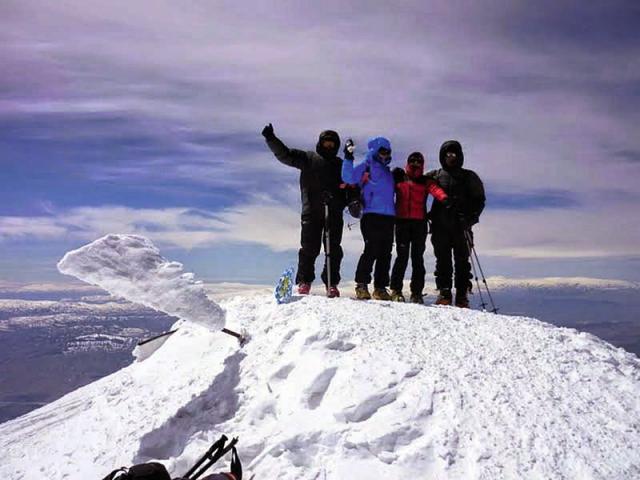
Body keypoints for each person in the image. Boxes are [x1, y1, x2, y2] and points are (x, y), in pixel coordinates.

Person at [262, 123, 346, 297]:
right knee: (309, 248)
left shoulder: (341, 164)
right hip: (311, 211)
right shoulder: (308, 158)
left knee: (334, 249)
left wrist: (349, 200)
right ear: (320, 143)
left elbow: (350, 186)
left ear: (336, 146)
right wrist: (271, 139)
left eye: (332, 144)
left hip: (334, 212)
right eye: (326, 143)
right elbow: (286, 155)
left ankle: (331, 284)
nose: (329, 146)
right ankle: (304, 281)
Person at [427, 140, 485, 308]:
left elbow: (480, 200)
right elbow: (417, 182)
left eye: (453, 154)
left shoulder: (469, 176)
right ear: (442, 156)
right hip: (440, 227)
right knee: (442, 261)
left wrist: (471, 218)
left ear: (459, 156)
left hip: (462, 226)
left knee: (462, 262)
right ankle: (445, 292)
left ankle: (461, 295)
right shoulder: (435, 175)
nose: (450, 157)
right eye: (447, 154)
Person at [389, 152, 448, 304]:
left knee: (417, 259)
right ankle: (396, 290)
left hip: (419, 224)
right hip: (402, 222)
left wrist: (444, 198)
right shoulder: (399, 177)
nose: (415, 163)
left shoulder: (425, 181)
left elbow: (435, 189)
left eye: (418, 161)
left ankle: (416, 293)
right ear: (408, 162)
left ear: (422, 164)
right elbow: (384, 185)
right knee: (401, 257)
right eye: (412, 161)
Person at [342, 137, 396, 300]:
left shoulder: (388, 172)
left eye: (387, 152)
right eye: (382, 151)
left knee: (385, 253)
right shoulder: (367, 166)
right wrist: (348, 157)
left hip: (388, 216)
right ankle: (362, 284)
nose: (385, 155)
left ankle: (380, 288)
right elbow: (348, 178)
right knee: (371, 249)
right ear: (375, 151)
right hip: (371, 215)